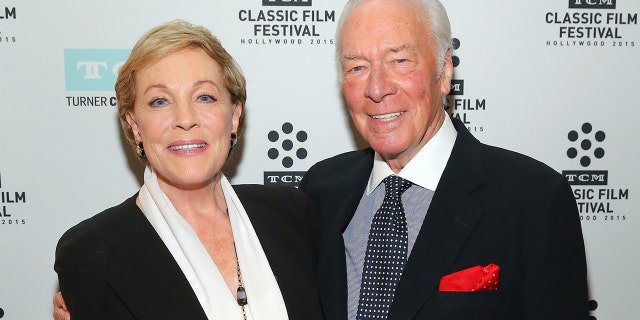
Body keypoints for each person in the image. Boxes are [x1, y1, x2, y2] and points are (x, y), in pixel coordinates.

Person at [298, 0, 589, 319]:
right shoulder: (320, 191)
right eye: (357, 67)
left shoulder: (534, 199)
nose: (377, 89)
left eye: (399, 60)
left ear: (445, 70)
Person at [53, 20, 322, 320]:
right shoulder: (92, 253)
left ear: (234, 115)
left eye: (204, 97)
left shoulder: (292, 215)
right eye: (160, 101)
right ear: (134, 125)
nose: (185, 118)